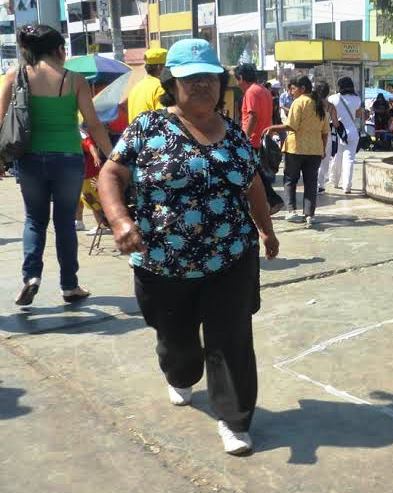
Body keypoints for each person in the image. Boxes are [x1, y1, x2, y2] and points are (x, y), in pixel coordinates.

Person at [96, 38, 279, 455]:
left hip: (230, 257)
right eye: (190, 79)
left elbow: (252, 186)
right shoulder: (147, 128)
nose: (202, 86)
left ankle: (234, 419)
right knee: (178, 344)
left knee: (230, 338)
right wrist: (121, 220)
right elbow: (110, 175)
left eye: (209, 78)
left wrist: (266, 231)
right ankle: (179, 374)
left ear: (220, 83)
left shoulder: (233, 134)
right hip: (164, 264)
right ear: (171, 84)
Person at [0, 24, 113, 306]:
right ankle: (69, 285)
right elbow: (94, 124)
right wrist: (112, 156)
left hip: (29, 159)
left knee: (35, 220)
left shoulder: (15, 75)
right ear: (58, 49)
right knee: (65, 223)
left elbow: (1, 119)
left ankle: (31, 277)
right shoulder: (74, 79)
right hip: (67, 160)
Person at [264, 76, 330, 227]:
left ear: (303, 89)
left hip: (296, 149)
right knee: (311, 182)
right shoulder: (319, 104)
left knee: (290, 180)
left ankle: (292, 211)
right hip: (314, 150)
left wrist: (273, 128)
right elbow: (325, 131)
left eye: (293, 89)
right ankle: (310, 215)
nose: (291, 92)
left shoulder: (299, 102)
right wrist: (323, 149)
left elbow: (292, 126)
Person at [235, 63, 284, 215]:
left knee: (254, 175)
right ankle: (267, 203)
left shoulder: (251, 92)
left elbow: (253, 116)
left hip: (253, 141)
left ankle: (272, 201)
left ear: (241, 78)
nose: (237, 84)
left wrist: (244, 138)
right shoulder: (264, 90)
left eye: (237, 80)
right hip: (262, 138)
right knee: (257, 174)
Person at [328, 76, 363, 194]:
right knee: (349, 160)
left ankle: (334, 181)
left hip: (338, 132)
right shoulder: (357, 99)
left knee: (336, 157)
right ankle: (347, 185)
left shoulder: (333, 98)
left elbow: (331, 116)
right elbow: (358, 115)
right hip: (352, 132)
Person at [127, 47, 167, 122]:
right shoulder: (161, 87)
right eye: (168, 66)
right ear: (159, 67)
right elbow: (165, 120)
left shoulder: (136, 87)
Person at [313, 80, 339, 194]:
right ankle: (320, 184)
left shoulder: (312, 104)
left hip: (312, 133)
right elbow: (336, 123)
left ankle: (312, 182)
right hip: (326, 134)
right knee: (324, 159)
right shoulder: (330, 106)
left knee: (313, 159)